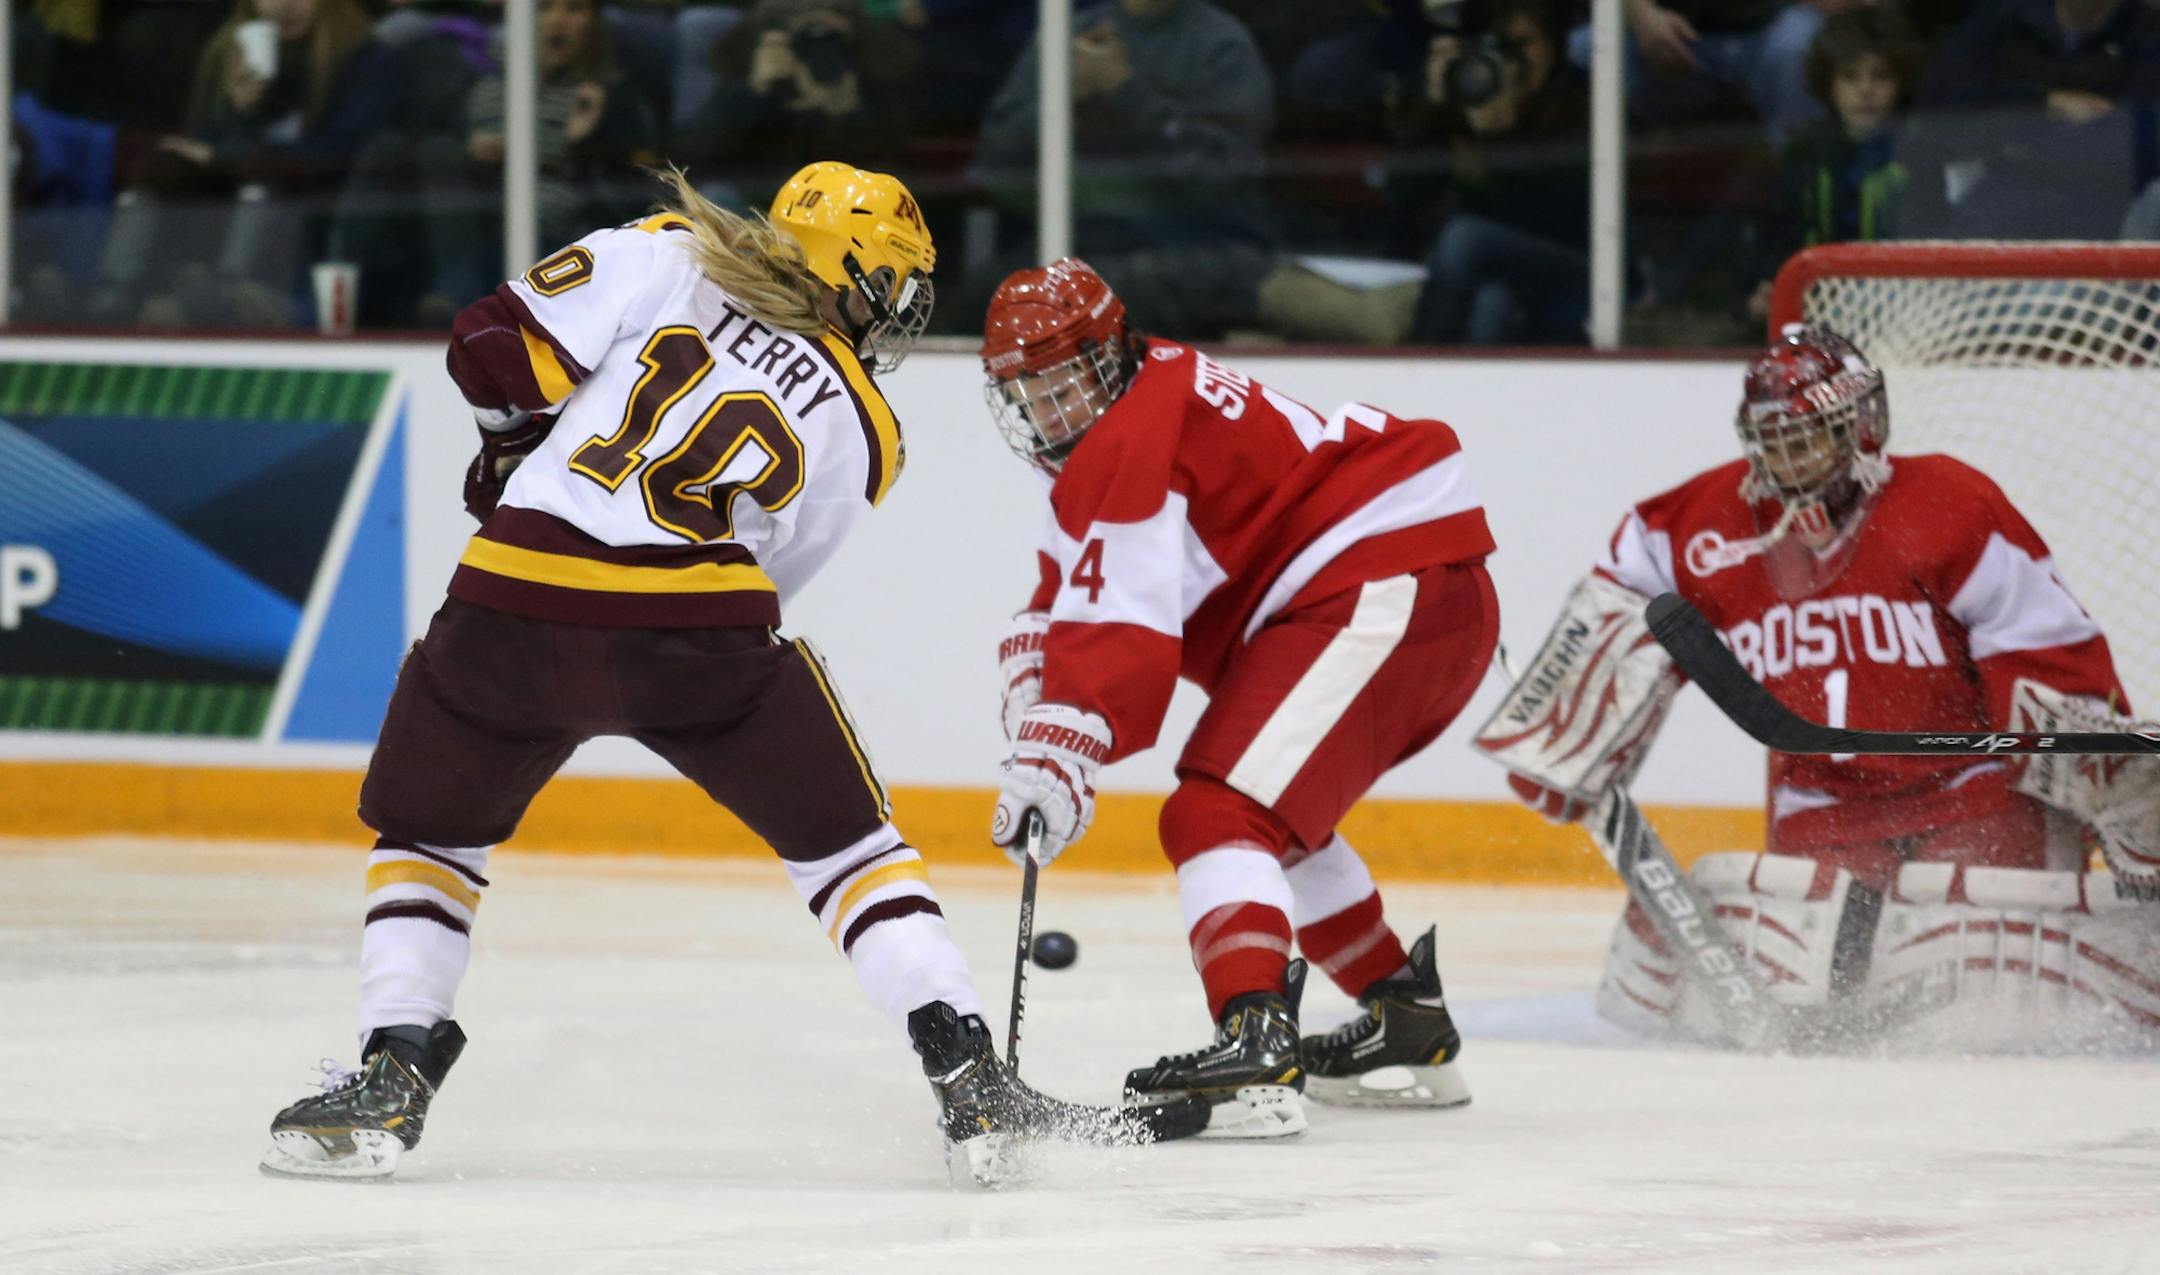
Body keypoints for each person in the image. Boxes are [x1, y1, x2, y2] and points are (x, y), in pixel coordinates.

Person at [258, 164, 1206, 1186]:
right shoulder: (867, 423)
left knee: (433, 837)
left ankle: (394, 1069)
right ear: (853, 272)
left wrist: (516, 447)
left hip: (511, 599)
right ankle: (968, 1070)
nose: (895, 308)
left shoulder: (666, 250)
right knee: (851, 854)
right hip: (695, 626)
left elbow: (488, 347)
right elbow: (766, 579)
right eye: (891, 280)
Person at [1476, 325, 2160, 1043]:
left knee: (1991, 1003)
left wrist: (2098, 772)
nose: (1790, 459)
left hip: (1976, 792)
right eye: (1774, 441)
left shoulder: (1952, 503)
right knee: (1814, 990)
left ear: (1865, 426)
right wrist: (1566, 719)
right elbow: (1623, 594)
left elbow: (2046, 667)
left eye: (1812, 436)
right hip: (1827, 806)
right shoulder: (1702, 527)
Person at [978, 257, 1497, 1136]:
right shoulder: (1137, 410)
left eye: (1063, 381)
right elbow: (1069, 589)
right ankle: (1401, 1017)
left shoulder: (1130, 435)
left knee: (1216, 815)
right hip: (1394, 585)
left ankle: (1257, 1040)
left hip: (1379, 582)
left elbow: (1124, 626)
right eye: (1028, 390)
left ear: (1107, 358)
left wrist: (1063, 739)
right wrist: (1038, 677)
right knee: (1269, 822)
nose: (1048, 409)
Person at [87, 0, 398, 327]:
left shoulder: (362, 57)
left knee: (258, 184)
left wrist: (230, 155)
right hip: (217, 226)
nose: (285, 6)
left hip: (312, 229)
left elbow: (341, 152)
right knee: (157, 170)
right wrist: (240, 110)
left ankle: (230, 290)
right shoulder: (228, 52)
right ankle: (115, 290)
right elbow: (204, 146)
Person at [1744, 7, 1921, 324]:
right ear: (1829, 84)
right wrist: (1761, 289)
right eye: (1850, 76)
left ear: (1901, 83)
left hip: (1900, 309)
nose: (1865, 90)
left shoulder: (1917, 153)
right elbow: (1779, 234)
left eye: (1880, 76)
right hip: (1815, 303)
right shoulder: (1806, 153)